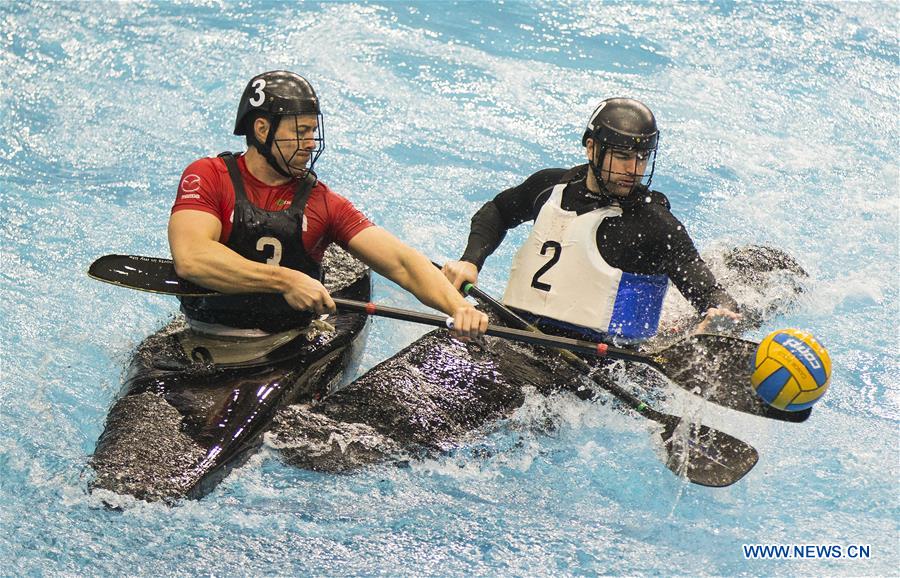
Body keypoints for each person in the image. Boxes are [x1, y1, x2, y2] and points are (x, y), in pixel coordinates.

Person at [168, 70, 487, 339]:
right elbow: (192, 258)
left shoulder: (322, 202)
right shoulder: (208, 176)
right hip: (202, 329)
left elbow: (401, 262)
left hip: (284, 338)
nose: (310, 143)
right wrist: (287, 280)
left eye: (313, 132)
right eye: (300, 132)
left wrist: (458, 306)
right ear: (262, 130)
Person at [442, 98, 739, 346]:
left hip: (592, 355)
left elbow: (707, 290)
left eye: (642, 158)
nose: (633, 170)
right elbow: (497, 211)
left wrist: (720, 313)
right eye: (622, 156)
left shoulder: (654, 225)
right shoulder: (549, 188)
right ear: (591, 148)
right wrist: (471, 261)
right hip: (512, 324)